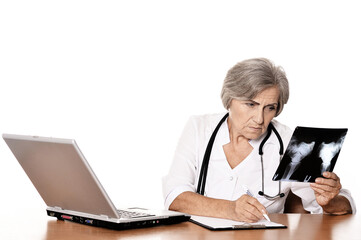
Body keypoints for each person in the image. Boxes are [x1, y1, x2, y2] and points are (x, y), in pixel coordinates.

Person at [162, 58, 356, 223]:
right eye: (250, 104)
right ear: (230, 99)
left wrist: (330, 200)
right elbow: (175, 197)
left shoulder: (291, 143)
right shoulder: (199, 128)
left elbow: (339, 206)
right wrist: (231, 210)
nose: (259, 119)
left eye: (269, 107)